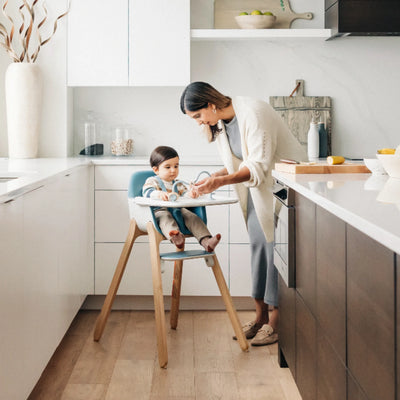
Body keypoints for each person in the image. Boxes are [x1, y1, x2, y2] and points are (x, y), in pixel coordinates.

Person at [180, 82, 307, 346]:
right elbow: (236, 164)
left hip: (284, 187)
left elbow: (257, 166)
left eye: (198, 116)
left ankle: (276, 320)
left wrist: (219, 183)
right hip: (258, 191)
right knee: (259, 248)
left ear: (211, 104)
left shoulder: (254, 112)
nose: (198, 123)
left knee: (277, 252)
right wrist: (214, 177)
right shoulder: (223, 124)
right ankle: (260, 315)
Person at [143, 145, 221, 252]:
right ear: (156, 170)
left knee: (192, 217)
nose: (173, 170)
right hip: (160, 210)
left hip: (178, 210)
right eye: (168, 167)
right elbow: (147, 192)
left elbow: (184, 194)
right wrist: (159, 194)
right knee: (165, 218)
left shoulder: (178, 183)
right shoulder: (152, 181)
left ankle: (206, 240)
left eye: (176, 166)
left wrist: (191, 194)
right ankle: (176, 237)